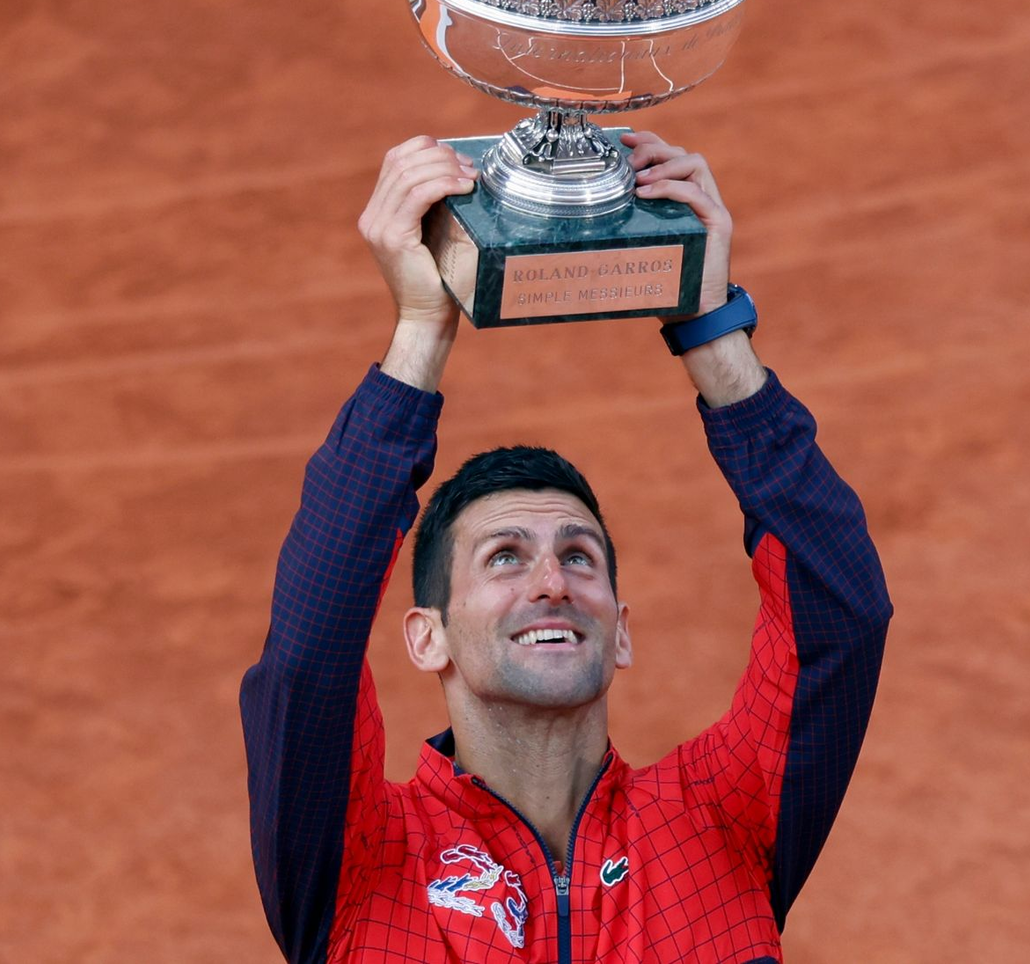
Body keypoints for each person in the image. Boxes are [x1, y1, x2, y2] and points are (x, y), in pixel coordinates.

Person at [240, 130, 893, 963]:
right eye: (504, 556)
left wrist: (710, 324)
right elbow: (307, 661)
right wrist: (418, 332)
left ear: (621, 627)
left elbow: (841, 610)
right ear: (425, 633)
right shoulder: (363, 861)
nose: (551, 579)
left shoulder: (724, 817)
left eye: (580, 555)